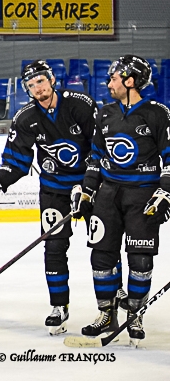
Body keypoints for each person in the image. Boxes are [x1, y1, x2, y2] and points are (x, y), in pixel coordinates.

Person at [0, 60, 99, 335]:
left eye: (41, 81)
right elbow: (15, 161)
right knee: (54, 248)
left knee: (104, 246)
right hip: (54, 190)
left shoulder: (81, 105)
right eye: (31, 85)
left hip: (91, 188)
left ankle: (109, 305)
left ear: (52, 80)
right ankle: (59, 306)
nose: (37, 88)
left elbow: (99, 148)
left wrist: (87, 186)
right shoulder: (26, 117)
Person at [70, 55, 170, 347]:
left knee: (139, 259)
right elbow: (96, 158)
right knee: (101, 258)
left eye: (114, 78)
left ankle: (134, 315)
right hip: (108, 194)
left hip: (143, 197)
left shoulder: (157, 113)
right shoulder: (105, 113)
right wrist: (87, 191)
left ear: (130, 81)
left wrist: (165, 192)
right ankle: (107, 314)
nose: (108, 82)